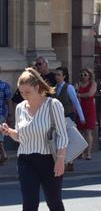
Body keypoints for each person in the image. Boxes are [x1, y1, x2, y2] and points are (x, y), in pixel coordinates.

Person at [0, 67, 68, 211]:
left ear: (37, 87)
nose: (24, 96)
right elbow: (21, 136)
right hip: (26, 160)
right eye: (21, 92)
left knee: (54, 202)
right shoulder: (20, 108)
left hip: (50, 160)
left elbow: (62, 134)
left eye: (27, 92)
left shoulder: (53, 105)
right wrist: (9, 131)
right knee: (29, 203)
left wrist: (61, 159)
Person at [76, 69, 97, 160]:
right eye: (82, 74)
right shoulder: (78, 84)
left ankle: (88, 153)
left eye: (85, 74)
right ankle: (81, 153)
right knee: (80, 132)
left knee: (88, 131)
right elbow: (74, 93)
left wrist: (79, 95)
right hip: (80, 108)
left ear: (89, 76)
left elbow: (90, 94)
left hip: (89, 109)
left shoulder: (93, 84)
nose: (83, 76)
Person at [0, 67, 12, 163]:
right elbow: (8, 101)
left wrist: (10, 115)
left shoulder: (4, 86)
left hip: (1, 114)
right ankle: (3, 154)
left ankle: (3, 153)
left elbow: (9, 101)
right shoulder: (5, 85)